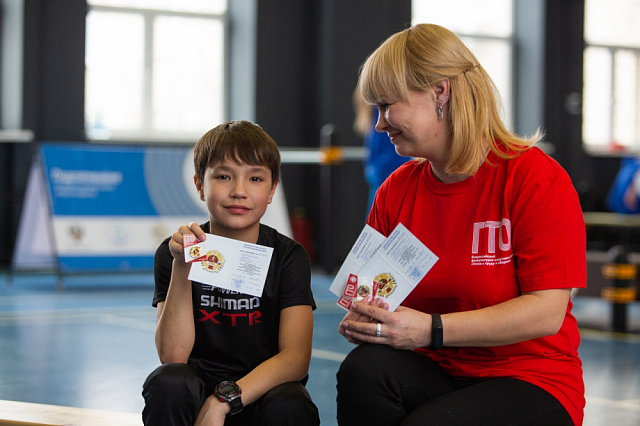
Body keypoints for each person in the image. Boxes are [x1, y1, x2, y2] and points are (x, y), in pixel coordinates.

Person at [336, 24, 586, 426]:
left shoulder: (536, 179)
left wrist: (430, 329)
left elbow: (546, 313)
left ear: (440, 91)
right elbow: (369, 290)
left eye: (386, 106)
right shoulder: (395, 191)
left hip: (530, 376)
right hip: (436, 367)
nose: (380, 124)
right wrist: (370, 318)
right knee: (363, 370)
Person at [142, 120, 320, 426]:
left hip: (261, 393)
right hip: (196, 394)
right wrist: (183, 265)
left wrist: (223, 401)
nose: (239, 191)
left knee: (291, 404)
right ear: (200, 185)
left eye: (255, 178)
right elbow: (173, 355)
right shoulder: (173, 253)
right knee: (168, 382)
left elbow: (296, 359)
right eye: (224, 176)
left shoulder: (289, 257)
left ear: (272, 190)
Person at [353, 89, 410, 213]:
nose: (380, 124)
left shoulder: (372, 109)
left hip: (380, 180)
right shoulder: (382, 114)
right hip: (389, 180)